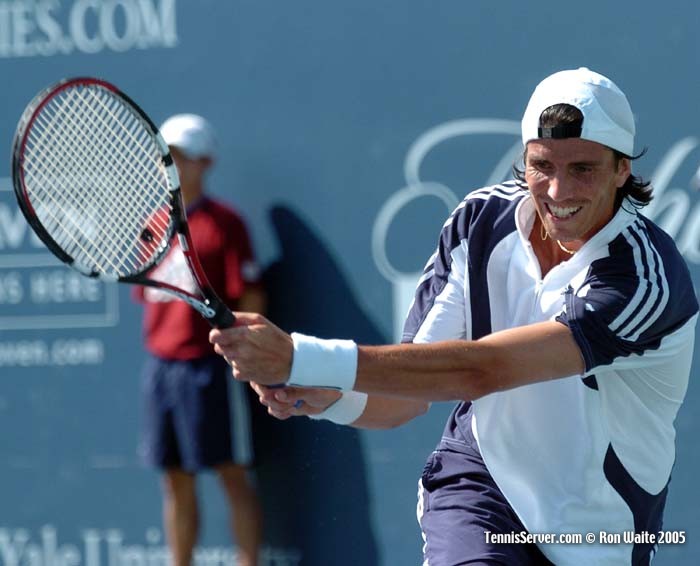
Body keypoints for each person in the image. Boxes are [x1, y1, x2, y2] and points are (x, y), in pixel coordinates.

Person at [210, 68, 699, 565]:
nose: (556, 190)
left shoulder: (643, 278)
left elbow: (483, 369)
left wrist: (300, 356)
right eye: (541, 165)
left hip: (600, 535)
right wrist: (326, 395)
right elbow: (408, 395)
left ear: (622, 170)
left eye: (584, 169)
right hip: (481, 491)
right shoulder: (479, 222)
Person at [135, 114, 265, 566]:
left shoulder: (226, 223)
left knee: (230, 474)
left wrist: (249, 355)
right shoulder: (152, 223)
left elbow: (250, 295)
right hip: (161, 368)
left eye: (180, 157)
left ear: (205, 162)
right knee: (173, 478)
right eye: (164, 156)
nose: (168, 165)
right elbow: (149, 299)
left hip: (210, 368)